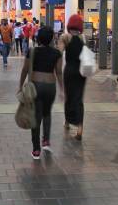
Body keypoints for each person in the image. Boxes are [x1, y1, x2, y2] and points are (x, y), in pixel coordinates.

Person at [18, 26, 63, 159]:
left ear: (38, 38)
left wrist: (20, 86)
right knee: (47, 113)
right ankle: (46, 140)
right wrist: (62, 89)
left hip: (36, 86)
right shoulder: (57, 53)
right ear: (51, 39)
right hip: (50, 86)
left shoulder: (32, 51)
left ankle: (36, 150)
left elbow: (25, 70)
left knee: (35, 116)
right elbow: (59, 72)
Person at [58, 14, 87, 141]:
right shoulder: (83, 38)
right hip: (81, 72)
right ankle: (80, 129)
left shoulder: (65, 37)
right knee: (79, 98)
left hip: (69, 71)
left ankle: (67, 122)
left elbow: (59, 53)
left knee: (68, 97)